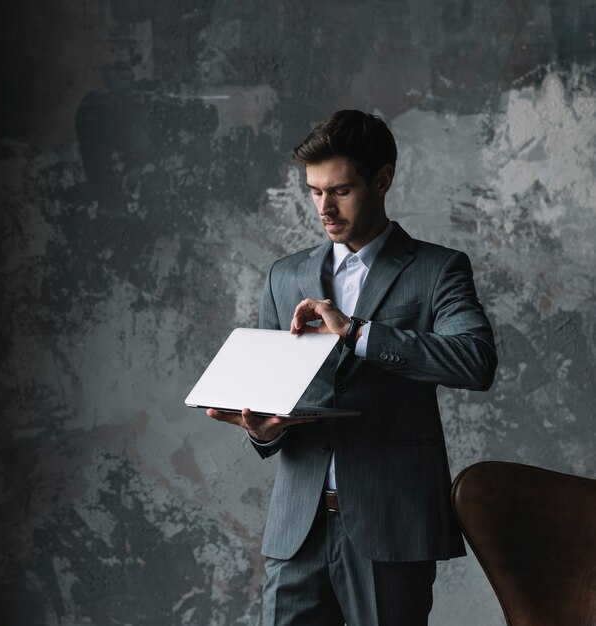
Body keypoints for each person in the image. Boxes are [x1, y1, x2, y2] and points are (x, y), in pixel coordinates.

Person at [208, 110, 497, 626]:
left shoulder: (437, 269)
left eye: (339, 190)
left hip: (391, 526)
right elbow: (275, 397)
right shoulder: (285, 275)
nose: (324, 208)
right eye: (315, 191)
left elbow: (475, 362)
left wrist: (357, 333)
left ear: (382, 180)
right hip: (297, 528)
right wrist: (262, 431)